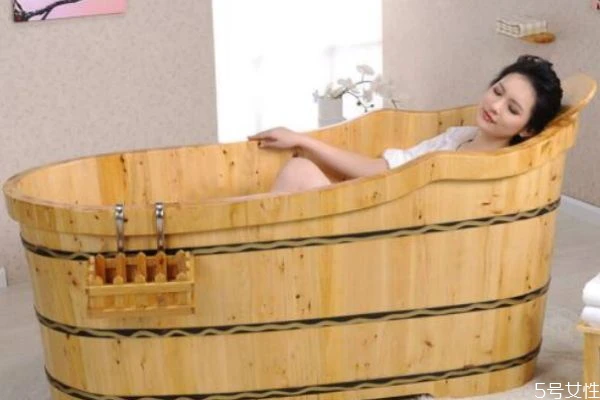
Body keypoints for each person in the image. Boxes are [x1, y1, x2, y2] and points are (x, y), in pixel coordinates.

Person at [248, 55, 563, 193]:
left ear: (527, 129)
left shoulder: (497, 168)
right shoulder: (457, 138)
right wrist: (302, 140)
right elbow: (381, 169)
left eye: (512, 109)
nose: (495, 106)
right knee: (300, 169)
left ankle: (217, 227)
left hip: (399, 243)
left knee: (294, 183)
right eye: (497, 91)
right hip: (381, 211)